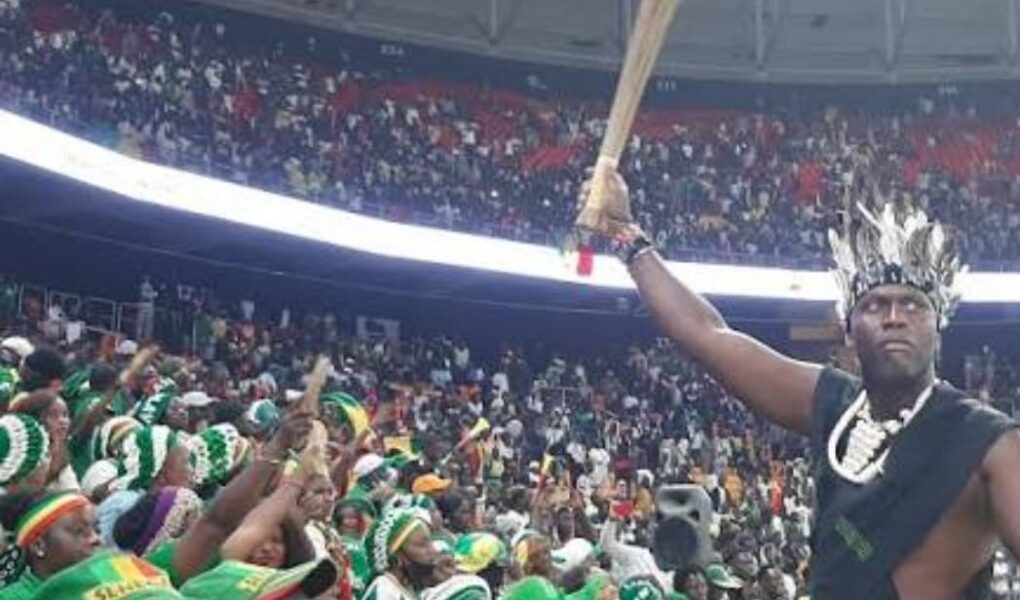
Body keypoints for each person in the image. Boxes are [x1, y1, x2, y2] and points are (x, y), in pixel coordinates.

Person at [577, 165, 1020, 599]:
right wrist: (626, 235)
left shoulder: (989, 442)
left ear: (938, 328)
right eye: (875, 305)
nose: (893, 317)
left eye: (913, 305)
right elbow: (708, 336)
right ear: (848, 329)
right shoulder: (835, 403)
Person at [0, 492, 101, 599]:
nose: (95, 539)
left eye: (97, 530)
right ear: (38, 545)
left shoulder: (106, 579)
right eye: (79, 531)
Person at [362, 507, 438, 600]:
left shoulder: (411, 587)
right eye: (422, 545)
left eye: (431, 542)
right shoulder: (384, 592)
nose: (434, 551)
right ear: (398, 555)